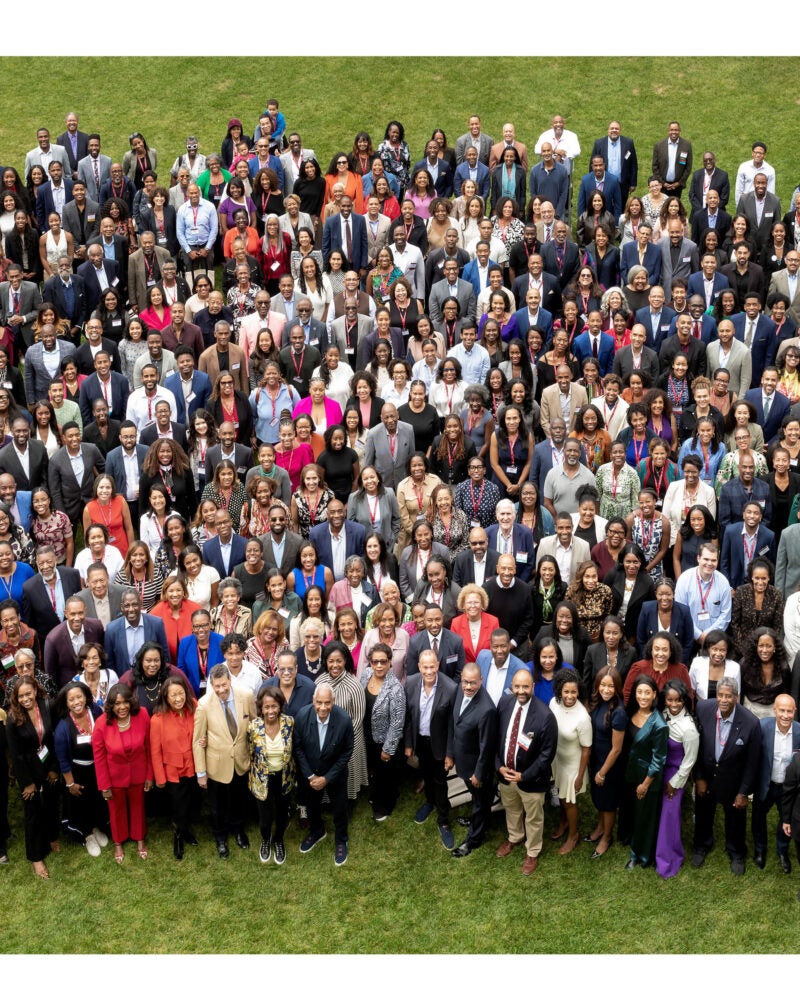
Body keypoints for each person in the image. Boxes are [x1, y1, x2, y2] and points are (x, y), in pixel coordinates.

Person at [693, 676, 762, 875]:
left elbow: (752, 763)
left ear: (736, 697)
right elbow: (696, 747)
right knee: (704, 812)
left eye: (728, 696)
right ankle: (701, 846)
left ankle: (736, 852)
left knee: (735, 819)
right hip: (706, 777)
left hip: (733, 782)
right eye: (720, 695)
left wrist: (743, 792)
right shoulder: (703, 709)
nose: (723, 700)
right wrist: (698, 777)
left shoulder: (751, 723)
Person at [495, 668, 558, 876]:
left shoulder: (545, 716)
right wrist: (498, 766)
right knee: (511, 808)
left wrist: (524, 775)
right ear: (512, 687)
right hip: (506, 775)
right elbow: (496, 740)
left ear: (532, 687)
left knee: (533, 817)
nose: (521, 691)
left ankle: (532, 851)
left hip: (531, 779)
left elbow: (546, 756)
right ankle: (515, 837)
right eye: (517, 686)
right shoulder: (504, 704)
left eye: (525, 687)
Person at [192, 663, 256, 859]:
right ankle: (220, 838)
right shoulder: (204, 705)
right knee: (217, 806)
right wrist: (201, 773)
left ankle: (238, 831)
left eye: (224, 685)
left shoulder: (245, 696)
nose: (221, 690)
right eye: (216, 686)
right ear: (211, 684)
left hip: (241, 761)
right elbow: (197, 740)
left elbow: (254, 724)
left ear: (230, 681)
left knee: (239, 800)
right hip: (216, 765)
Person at [293, 682, 355, 867]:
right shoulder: (303, 716)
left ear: (333, 701)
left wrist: (327, 778)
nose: (323, 707)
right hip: (310, 775)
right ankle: (317, 831)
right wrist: (310, 776)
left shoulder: (343, 719)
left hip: (334, 774)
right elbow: (297, 748)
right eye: (319, 702)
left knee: (339, 808)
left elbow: (347, 751)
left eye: (327, 702)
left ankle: (341, 839)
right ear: (313, 700)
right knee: (311, 806)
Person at [5, 676, 61, 878]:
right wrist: (27, 783)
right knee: (33, 812)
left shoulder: (47, 705)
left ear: (36, 691)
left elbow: (53, 739)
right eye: (21, 696)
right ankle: (36, 858)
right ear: (16, 697)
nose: (25, 698)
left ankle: (52, 836)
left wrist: (54, 768)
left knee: (51, 803)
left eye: (28, 693)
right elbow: (16, 756)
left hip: (48, 765)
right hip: (28, 771)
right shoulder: (12, 719)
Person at [92, 681, 153, 864]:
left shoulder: (142, 714)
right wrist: (104, 785)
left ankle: (139, 838)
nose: (122, 707)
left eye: (125, 702)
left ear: (131, 702)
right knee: (115, 810)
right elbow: (99, 757)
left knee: (138, 806)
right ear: (111, 705)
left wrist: (149, 775)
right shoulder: (102, 723)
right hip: (113, 777)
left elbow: (149, 746)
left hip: (138, 773)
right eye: (117, 703)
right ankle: (118, 842)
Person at [448, 663, 498, 858]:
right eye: (465, 682)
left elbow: (487, 747)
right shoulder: (460, 692)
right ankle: (479, 819)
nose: (468, 687)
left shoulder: (487, 710)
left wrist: (478, 773)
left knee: (480, 802)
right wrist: (450, 753)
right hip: (463, 761)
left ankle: (473, 840)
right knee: (478, 800)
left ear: (481, 681)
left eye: (473, 683)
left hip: (477, 769)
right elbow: (455, 723)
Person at [149, 674, 198, 860]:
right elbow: (155, 752)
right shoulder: (158, 719)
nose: (178, 698)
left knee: (192, 802)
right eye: (173, 695)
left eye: (181, 693)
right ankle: (178, 836)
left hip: (193, 766)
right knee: (179, 807)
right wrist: (159, 778)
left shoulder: (194, 707)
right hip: (173, 771)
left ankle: (186, 831)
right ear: (165, 697)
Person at [621, 674, 668, 870]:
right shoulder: (631, 712)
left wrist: (645, 784)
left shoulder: (659, 724)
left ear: (654, 695)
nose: (643, 696)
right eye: (639, 692)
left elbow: (659, 759)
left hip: (648, 778)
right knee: (635, 814)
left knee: (645, 819)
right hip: (632, 773)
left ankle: (641, 856)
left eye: (647, 693)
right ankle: (633, 844)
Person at [751, 694, 800, 874]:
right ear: (775, 710)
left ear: (795, 711)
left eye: (789, 711)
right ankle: (760, 848)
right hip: (766, 783)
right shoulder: (763, 727)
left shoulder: (799, 732)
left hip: (788, 789)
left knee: (786, 820)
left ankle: (782, 850)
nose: (785, 715)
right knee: (758, 818)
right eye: (782, 710)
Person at [247, 685, 295, 866]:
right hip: (262, 779)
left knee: (282, 814)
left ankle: (278, 840)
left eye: (274, 706)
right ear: (261, 707)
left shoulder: (289, 723)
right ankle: (266, 840)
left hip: (284, 778)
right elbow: (250, 752)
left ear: (280, 706)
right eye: (267, 707)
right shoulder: (253, 727)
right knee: (265, 817)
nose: (271, 711)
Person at [360, 642, 406, 822]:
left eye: (383, 662)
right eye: (375, 662)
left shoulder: (395, 689)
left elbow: (397, 723)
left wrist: (388, 749)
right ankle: (376, 794)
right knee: (376, 772)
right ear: (370, 663)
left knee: (386, 775)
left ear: (389, 663)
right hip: (368, 736)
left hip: (385, 741)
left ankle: (385, 805)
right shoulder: (366, 675)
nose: (378, 665)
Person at [585, 667, 627, 860]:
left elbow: (617, 749)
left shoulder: (618, 712)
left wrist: (602, 772)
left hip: (609, 765)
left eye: (611, 686)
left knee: (608, 803)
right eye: (603, 685)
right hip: (596, 760)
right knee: (598, 798)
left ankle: (607, 837)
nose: (606, 690)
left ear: (617, 687)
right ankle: (600, 827)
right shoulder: (597, 703)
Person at [549, 667, 592, 855]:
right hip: (558, 759)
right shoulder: (553, 703)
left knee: (569, 801)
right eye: (566, 691)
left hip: (574, 765)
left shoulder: (583, 717)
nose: (570, 695)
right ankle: (563, 823)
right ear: (559, 690)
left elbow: (586, 749)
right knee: (560, 796)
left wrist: (580, 776)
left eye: (574, 692)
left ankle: (573, 835)